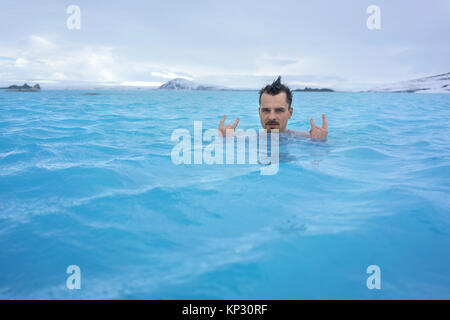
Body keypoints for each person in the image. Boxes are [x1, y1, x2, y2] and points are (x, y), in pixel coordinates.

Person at [218, 76, 328, 140]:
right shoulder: (246, 138)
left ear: (290, 113)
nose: (272, 117)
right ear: (259, 112)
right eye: (266, 110)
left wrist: (319, 143)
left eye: (279, 110)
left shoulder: (306, 138)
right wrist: (224, 138)